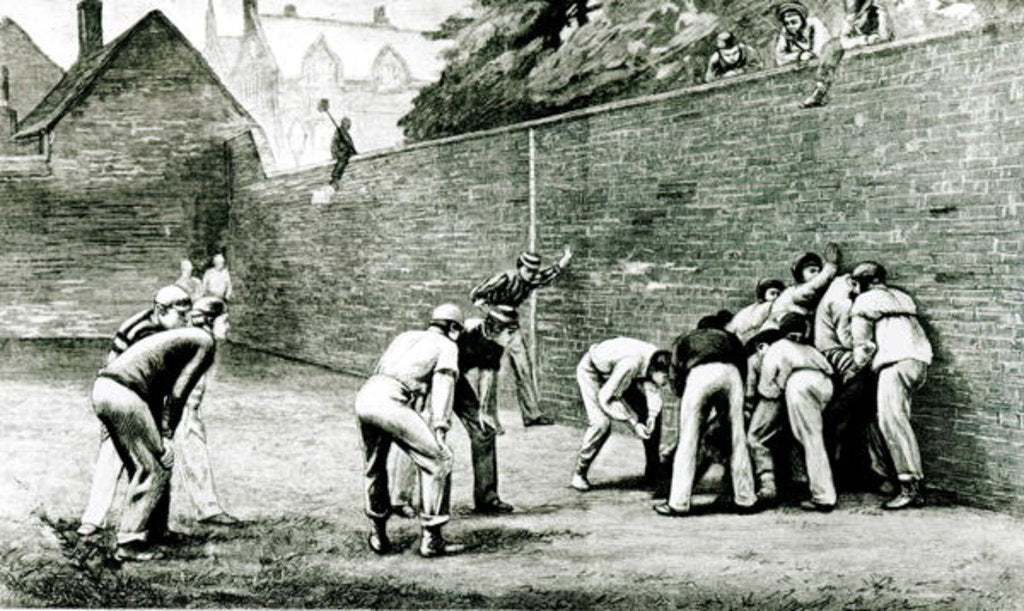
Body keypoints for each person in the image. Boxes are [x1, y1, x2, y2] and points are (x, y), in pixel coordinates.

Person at [89, 297, 228, 561]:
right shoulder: (204, 342)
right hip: (123, 394)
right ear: (210, 322)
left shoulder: (184, 337)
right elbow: (178, 394)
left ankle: (154, 532)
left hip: (106, 390)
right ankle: (129, 542)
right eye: (225, 320)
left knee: (142, 466)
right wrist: (166, 435)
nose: (229, 327)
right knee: (156, 466)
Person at [78, 286, 191, 537]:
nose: (187, 320)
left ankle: (157, 527)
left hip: (151, 400)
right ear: (161, 310)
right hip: (124, 400)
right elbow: (115, 368)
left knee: (160, 461)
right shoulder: (138, 330)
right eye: (181, 314)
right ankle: (93, 519)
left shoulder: (176, 331)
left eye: (188, 314)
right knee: (111, 455)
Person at [354, 304, 463, 557]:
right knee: (439, 460)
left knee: (374, 466)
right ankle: (432, 539)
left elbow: (383, 371)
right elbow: (444, 384)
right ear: (454, 328)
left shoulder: (404, 336)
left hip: (366, 396)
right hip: (390, 402)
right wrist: (440, 428)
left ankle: (377, 534)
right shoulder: (447, 345)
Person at [389, 306, 519, 517]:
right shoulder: (464, 330)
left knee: (484, 431)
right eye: (509, 332)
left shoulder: (497, 345)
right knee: (420, 432)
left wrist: (485, 412)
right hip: (433, 377)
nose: (512, 337)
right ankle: (399, 499)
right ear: (494, 327)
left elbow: (487, 376)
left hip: (456, 380)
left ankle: (487, 499)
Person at [849, 262, 932, 510]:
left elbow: (864, 345)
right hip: (918, 361)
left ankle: (910, 487)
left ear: (863, 282)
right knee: (893, 420)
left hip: (894, 363)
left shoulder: (864, 301)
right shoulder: (902, 297)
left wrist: (855, 366)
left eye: (856, 283)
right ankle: (906, 482)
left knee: (892, 423)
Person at [653, 314, 756, 516]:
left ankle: (678, 503)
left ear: (699, 328)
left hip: (699, 375)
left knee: (688, 441)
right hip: (731, 374)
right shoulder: (730, 338)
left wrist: (684, 395)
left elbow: (675, 372)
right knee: (737, 439)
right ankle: (746, 499)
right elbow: (743, 366)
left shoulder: (685, 338)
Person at [469, 248, 574, 428]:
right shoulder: (505, 278)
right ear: (520, 266)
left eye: (534, 271)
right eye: (528, 270)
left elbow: (547, 275)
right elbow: (476, 294)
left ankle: (532, 415)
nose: (531, 275)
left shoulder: (530, 280)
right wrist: (492, 311)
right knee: (490, 372)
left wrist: (564, 260)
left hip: (512, 328)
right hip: (494, 329)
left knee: (524, 368)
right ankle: (486, 417)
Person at [814, 272, 891, 490]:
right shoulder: (842, 302)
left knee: (854, 417)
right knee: (849, 417)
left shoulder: (835, 294)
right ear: (854, 283)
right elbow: (849, 340)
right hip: (845, 362)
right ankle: (855, 475)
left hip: (844, 364)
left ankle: (862, 475)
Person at [757, 313, 837, 511]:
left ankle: (824, 497)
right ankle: (812, 486)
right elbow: (830, 370)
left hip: (800, 385)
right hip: (825, 385)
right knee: (812, 437)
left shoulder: (778, 347)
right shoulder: (810, 349)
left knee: (811, 439)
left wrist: (779, 388)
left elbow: (766, 388)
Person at [571, 337, 672, 492]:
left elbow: (652, 389)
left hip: (618, 372)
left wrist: (651, 416)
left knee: (650, 412)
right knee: (601, 424)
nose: (667, 382)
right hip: (593, 372)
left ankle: (653, 471)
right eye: (666, 377)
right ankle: (580, 472)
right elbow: (606, 398)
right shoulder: (630, 364)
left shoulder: (655, 357)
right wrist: (634, 423)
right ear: (654, 370)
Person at [765, 244, 841, 328]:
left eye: (819, 271)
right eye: (812, 271)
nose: (817, 274)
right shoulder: (797, 290)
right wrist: (831, 267)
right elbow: (810, 289)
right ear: (801, 276)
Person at [725, 277, 785, 344]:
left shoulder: (756, 306)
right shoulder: (768, 305)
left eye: (778, 294)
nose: (776, 296)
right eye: (772, 293)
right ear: (764, 294)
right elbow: (755, 322)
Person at [330, 117, 357, 189]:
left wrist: (354, 152)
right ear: (343, 124)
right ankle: (335, 177)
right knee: (343, 159)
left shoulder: (345, 133)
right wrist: (336, 153)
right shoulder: (339, 132)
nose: (348, 126)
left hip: (346, 152)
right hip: (340, 152)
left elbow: (349, 144)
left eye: (349, 125)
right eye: (347, 125)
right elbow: (334, 144)